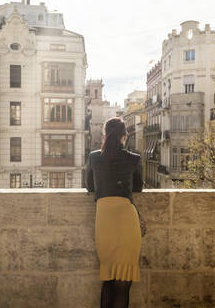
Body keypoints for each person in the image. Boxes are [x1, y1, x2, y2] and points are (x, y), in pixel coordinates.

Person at [85, 117, 143, 308]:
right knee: (123, 283)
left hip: (105, 221)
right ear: (124, 136)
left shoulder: (94, 157)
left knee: (108, 279)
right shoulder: (133, 159)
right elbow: (138, 188)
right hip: (127, 220)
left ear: (105, 134)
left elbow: (90, 187)